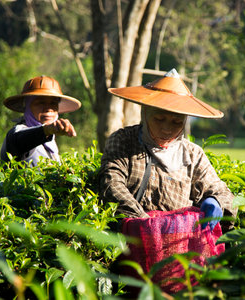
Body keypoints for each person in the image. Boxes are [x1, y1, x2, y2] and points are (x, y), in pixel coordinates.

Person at [99, 69, 236, 232]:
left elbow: (221, 191)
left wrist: (216, 201)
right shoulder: (123, 141)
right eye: (159, 119)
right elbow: (112, 185)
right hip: (131, 240)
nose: (166, 128)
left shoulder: (192, 154)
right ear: (145, 113)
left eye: (176, 122)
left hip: (177, 243)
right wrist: (147, 224)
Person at [0, 75, 81, 166]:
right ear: (27, 106)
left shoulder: (51, 143)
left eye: (53, 103)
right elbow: (19, 139)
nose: (48, 109)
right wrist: (47, 130)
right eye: (41, 103)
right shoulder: (17, 133)